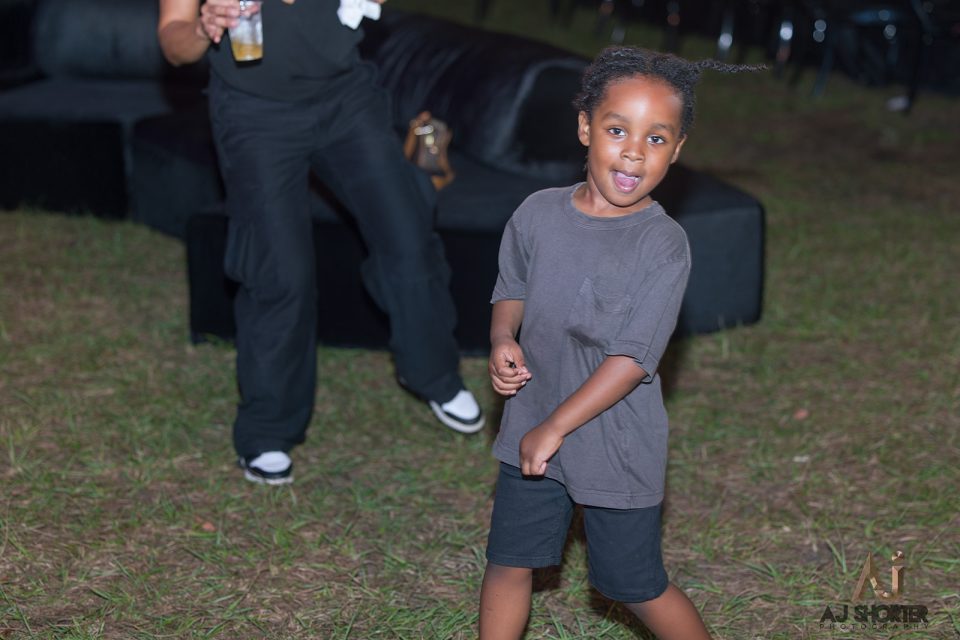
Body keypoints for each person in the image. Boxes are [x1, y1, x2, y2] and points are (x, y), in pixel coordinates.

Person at [480, 47, 757, 639]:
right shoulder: (536, 214)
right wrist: (504, 336)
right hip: (532, 417)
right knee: (508, 562)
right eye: (616, 130)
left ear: (676, 150)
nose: (634, 151)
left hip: (615, 440)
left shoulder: (662, 245)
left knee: (633, 584)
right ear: (585, 128)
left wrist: (555, 427)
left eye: (656, 139)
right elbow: (513, 288)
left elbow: (633, 358)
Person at [157, 0, 483, 486]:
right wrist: (205, 28)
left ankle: (431, 371)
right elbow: (174, 39)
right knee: (277, 270)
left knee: (406, 229)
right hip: (254, 113)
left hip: (344, 98)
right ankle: (268, 427)